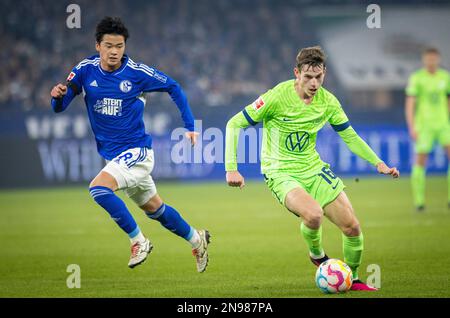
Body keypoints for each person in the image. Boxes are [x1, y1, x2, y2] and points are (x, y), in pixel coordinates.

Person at [225, 46, 399, 291]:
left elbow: (350, 136)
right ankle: (317, 256)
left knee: (352, 227)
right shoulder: (276, 97)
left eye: (319, 77)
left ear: (324, 73)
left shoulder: (328, 102)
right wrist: (231, 168)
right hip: (280, 170)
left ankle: (354, 278)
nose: (314, 83)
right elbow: (235, 123)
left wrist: (379, 163)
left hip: (313, 168)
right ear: (297, 73)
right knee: (314, 214)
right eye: (308, 77)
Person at [50, 17, 210, 272]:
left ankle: (139, 241)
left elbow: (174, 87)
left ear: (125, 46)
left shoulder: (137, 73)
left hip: (137, 152)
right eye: (109, 45)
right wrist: (57, 97)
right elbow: (60, 105)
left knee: (99, 189)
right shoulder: (84, 70)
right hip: (115, 158)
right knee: (155, 209)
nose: (114, 51)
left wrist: (190, 126)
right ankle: (197, 239)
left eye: (120, 46)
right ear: (98, 46)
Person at [405, 47, 450, 212]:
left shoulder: (445, 77)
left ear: (438, 59)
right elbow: (410, 104)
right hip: (424, 125)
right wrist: (412, 126)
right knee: (421, 160)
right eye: (428, 58)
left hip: (444, 124)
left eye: (434, 58)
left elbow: (447, 100)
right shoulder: (417, 78)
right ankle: (419, 201)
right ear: (424, 60)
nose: (431, 61)